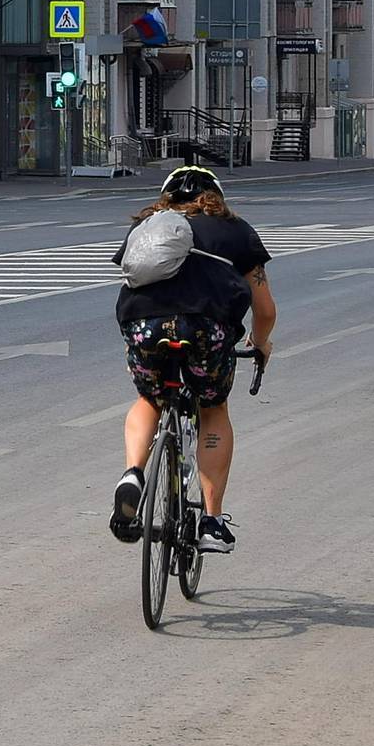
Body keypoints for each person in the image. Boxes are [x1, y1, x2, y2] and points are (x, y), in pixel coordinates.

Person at [109, 162, 275, 554]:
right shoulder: (235, 230)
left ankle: (133, 472)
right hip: (206, 329)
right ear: (215, 196)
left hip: (144, 325)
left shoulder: (146, 228)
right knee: (213, 407)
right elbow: (264, 309)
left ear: (167, 196)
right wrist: (261, 343)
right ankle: (212, 521)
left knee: (150, 399)